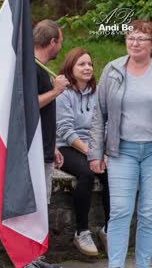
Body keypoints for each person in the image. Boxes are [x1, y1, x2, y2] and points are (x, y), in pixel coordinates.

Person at [88, 19, 152, 268]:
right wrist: (95, 153)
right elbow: (98, 114)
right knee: (120, 212)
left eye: (141, 38)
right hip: (121, 151)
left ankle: (144, 264)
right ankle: (115, 265)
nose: (135, 43)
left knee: (148, 214)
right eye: (131, 38)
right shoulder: (112, 70)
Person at [56, 47, 110, 256]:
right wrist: (91, 152)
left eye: (89, 64)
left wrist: (102, 150)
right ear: (71, 67)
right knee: (87, 174)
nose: (87, 68)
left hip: (93, 144)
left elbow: (104, 125)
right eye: (82, 64)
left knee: (110, 172)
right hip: (67, 146)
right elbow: (65, 130)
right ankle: (82, 231)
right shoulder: (64, 94)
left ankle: (108, 229)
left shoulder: (97, 94)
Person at [25, 19, 69, 268]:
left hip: (44, 148)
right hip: (31, 152)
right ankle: (28, 260)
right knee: (34, 207)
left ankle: (35, 258)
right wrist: (56, 91)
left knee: (42, 206)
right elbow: (29, 106)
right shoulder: (32, 68)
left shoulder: (39, 69)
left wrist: (52, 145)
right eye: (60, 41)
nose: (61, 46)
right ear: (52, 42)